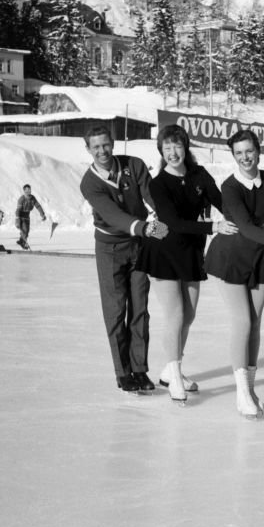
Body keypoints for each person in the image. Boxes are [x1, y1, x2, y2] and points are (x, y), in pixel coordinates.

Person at [141, 123, 237, 404]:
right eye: (167, 147)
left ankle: (170, 370)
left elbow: (221, 202)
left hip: (191, 251)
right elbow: (171, 223)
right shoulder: (158, 184)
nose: (173, 152)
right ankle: (175, 375)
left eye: (177, 146)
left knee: (189, 313)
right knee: (175, 314)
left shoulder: (199, 175)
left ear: (185, 147)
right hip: (163, 250)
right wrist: (213, 227)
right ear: (161, 151)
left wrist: (242, 219)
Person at [204, 129, 264, 419]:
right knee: (242, 321)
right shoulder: (230, 186)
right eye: (239, 153)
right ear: (234, 156)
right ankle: (241, 393)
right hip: (230, 255)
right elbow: (243, 224)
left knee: (255, 323)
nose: (245, 157)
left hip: (259, 257)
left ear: (258, 151)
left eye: (249, 151)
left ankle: (251, 389)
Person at [79, 125, 168, 395]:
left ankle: (139, 369)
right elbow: (113, 215)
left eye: (105, 144)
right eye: (96, 147)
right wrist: (147, 228)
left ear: (113, 142)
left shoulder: (134, 165)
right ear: (88, 150)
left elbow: (153, 197)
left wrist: (167, 220)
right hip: (110, 250)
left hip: (138, 247)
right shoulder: (90, 183)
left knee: (140, 309)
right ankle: (122, 372)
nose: (102, 151)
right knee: (116, 311)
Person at [15, 184, 47, 250]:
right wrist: (17, 219)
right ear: (24, 191)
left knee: (27, 231)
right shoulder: (21, 199)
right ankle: (24, 243)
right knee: (25, 230)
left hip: (27, 216)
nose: (28, 192)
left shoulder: (32, 198)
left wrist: (42, 214)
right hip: (21, 216)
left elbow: (38, 206)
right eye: (26, 190)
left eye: (29, 190)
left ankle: (21, 240)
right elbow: (18, 210)